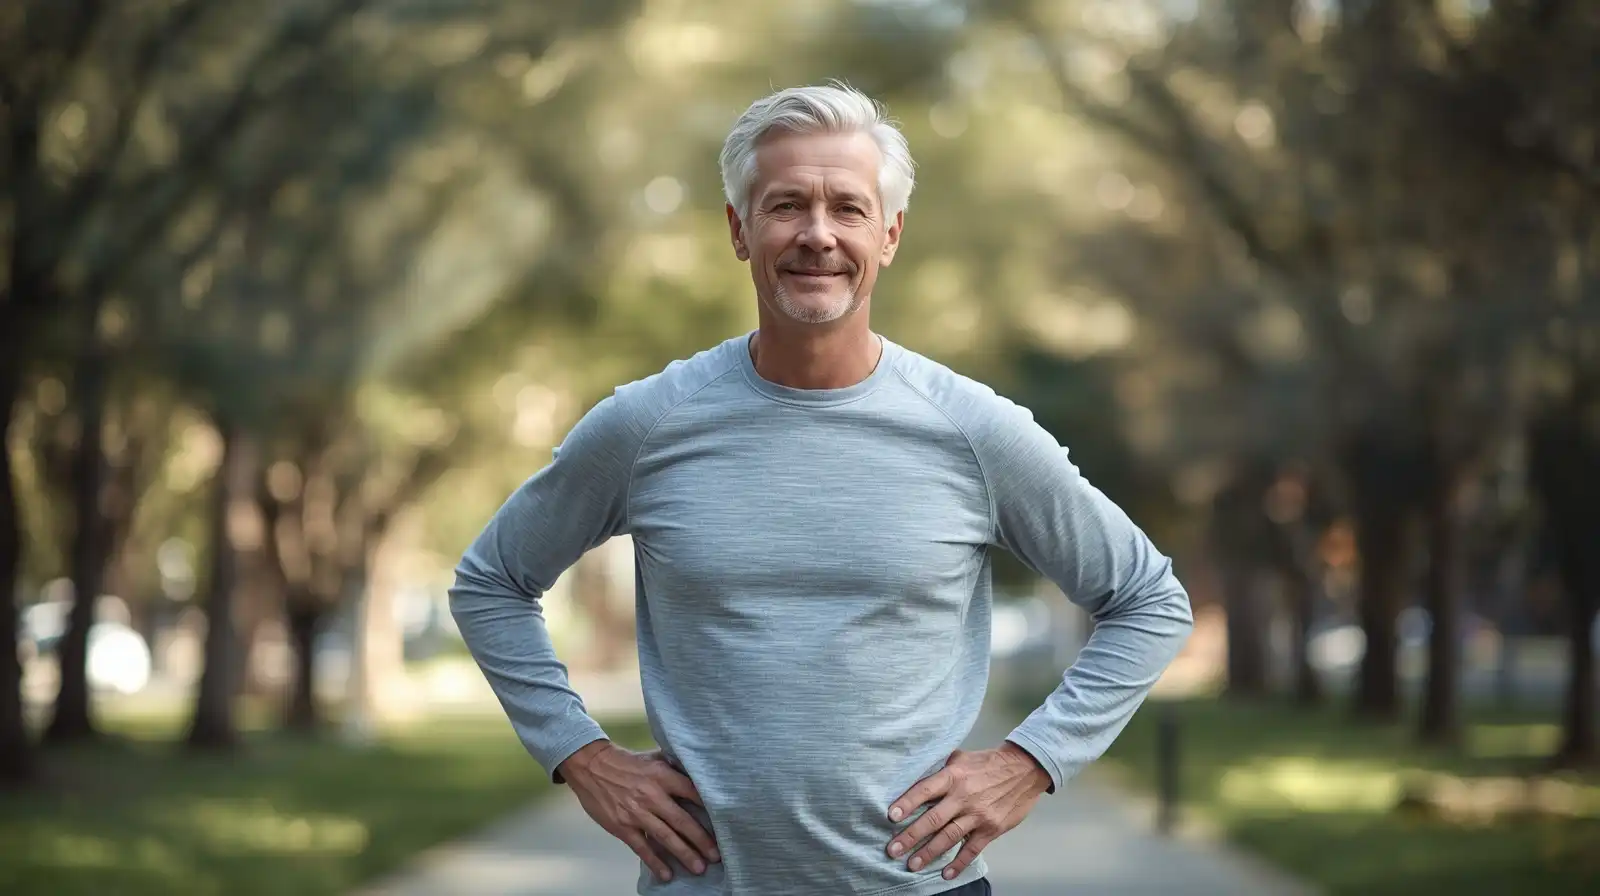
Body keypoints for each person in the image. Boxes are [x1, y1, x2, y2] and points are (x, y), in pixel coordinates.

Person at [450, 82, 1195, 896]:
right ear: (739, 230)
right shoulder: (647, 426)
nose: (817, 234)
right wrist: (582, 755)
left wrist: (1031, 761)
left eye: (848, 208)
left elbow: (1148, 600)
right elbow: (492, 582)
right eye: (786, 206)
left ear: (889, 234)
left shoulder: (973, 432)